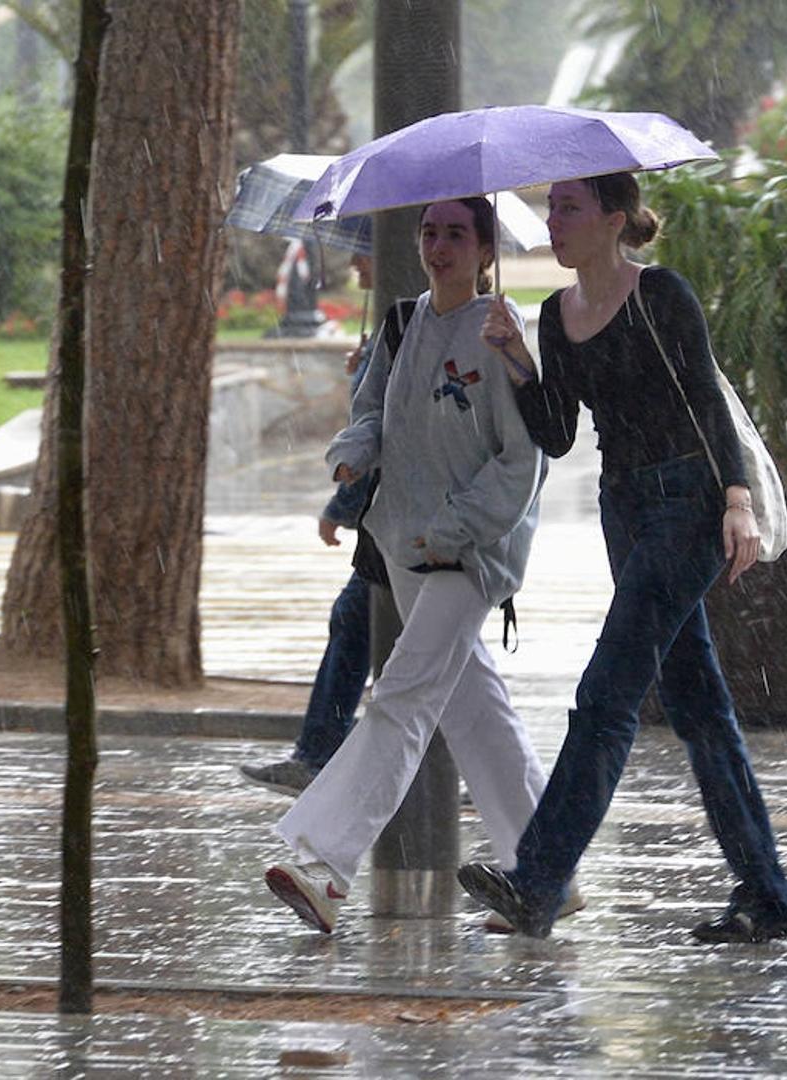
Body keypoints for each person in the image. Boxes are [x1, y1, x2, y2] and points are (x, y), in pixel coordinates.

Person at [456, 172, 787, 944]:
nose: (554, 220)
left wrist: (736, 502)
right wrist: (516, 359)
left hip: (690, 504)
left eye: (569, 207)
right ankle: (767, 897)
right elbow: (557, 432)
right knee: (699, 707)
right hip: (625, 507)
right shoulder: (555, 312)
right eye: (551, 208)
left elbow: (707, 402)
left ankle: (538, 881)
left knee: (606, 695)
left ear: (614, 219)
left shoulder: (662, 294)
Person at [263, 198, 554, 933]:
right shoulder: (400, 322)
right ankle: (550, 867)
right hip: (403, 547)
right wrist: (351, 454)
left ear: (486, 246)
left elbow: (523, 463)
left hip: (470, 555)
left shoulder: (504, 334)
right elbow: (371, 414)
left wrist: (455, 530)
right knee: (475, 712)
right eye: (430, 231)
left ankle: (322, 865)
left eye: (457, 232)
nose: (439, 245)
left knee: (402, 698)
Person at [239, 251, 384, 797]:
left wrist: (342, 506)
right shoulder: (390, 330)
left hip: (400, 525)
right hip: (393, 525)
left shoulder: (412, 329)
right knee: (440, 659)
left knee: (358, 623)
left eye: (365, 248)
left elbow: (382, 430)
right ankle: (326, 754)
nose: (355, 260)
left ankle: (322, 756)